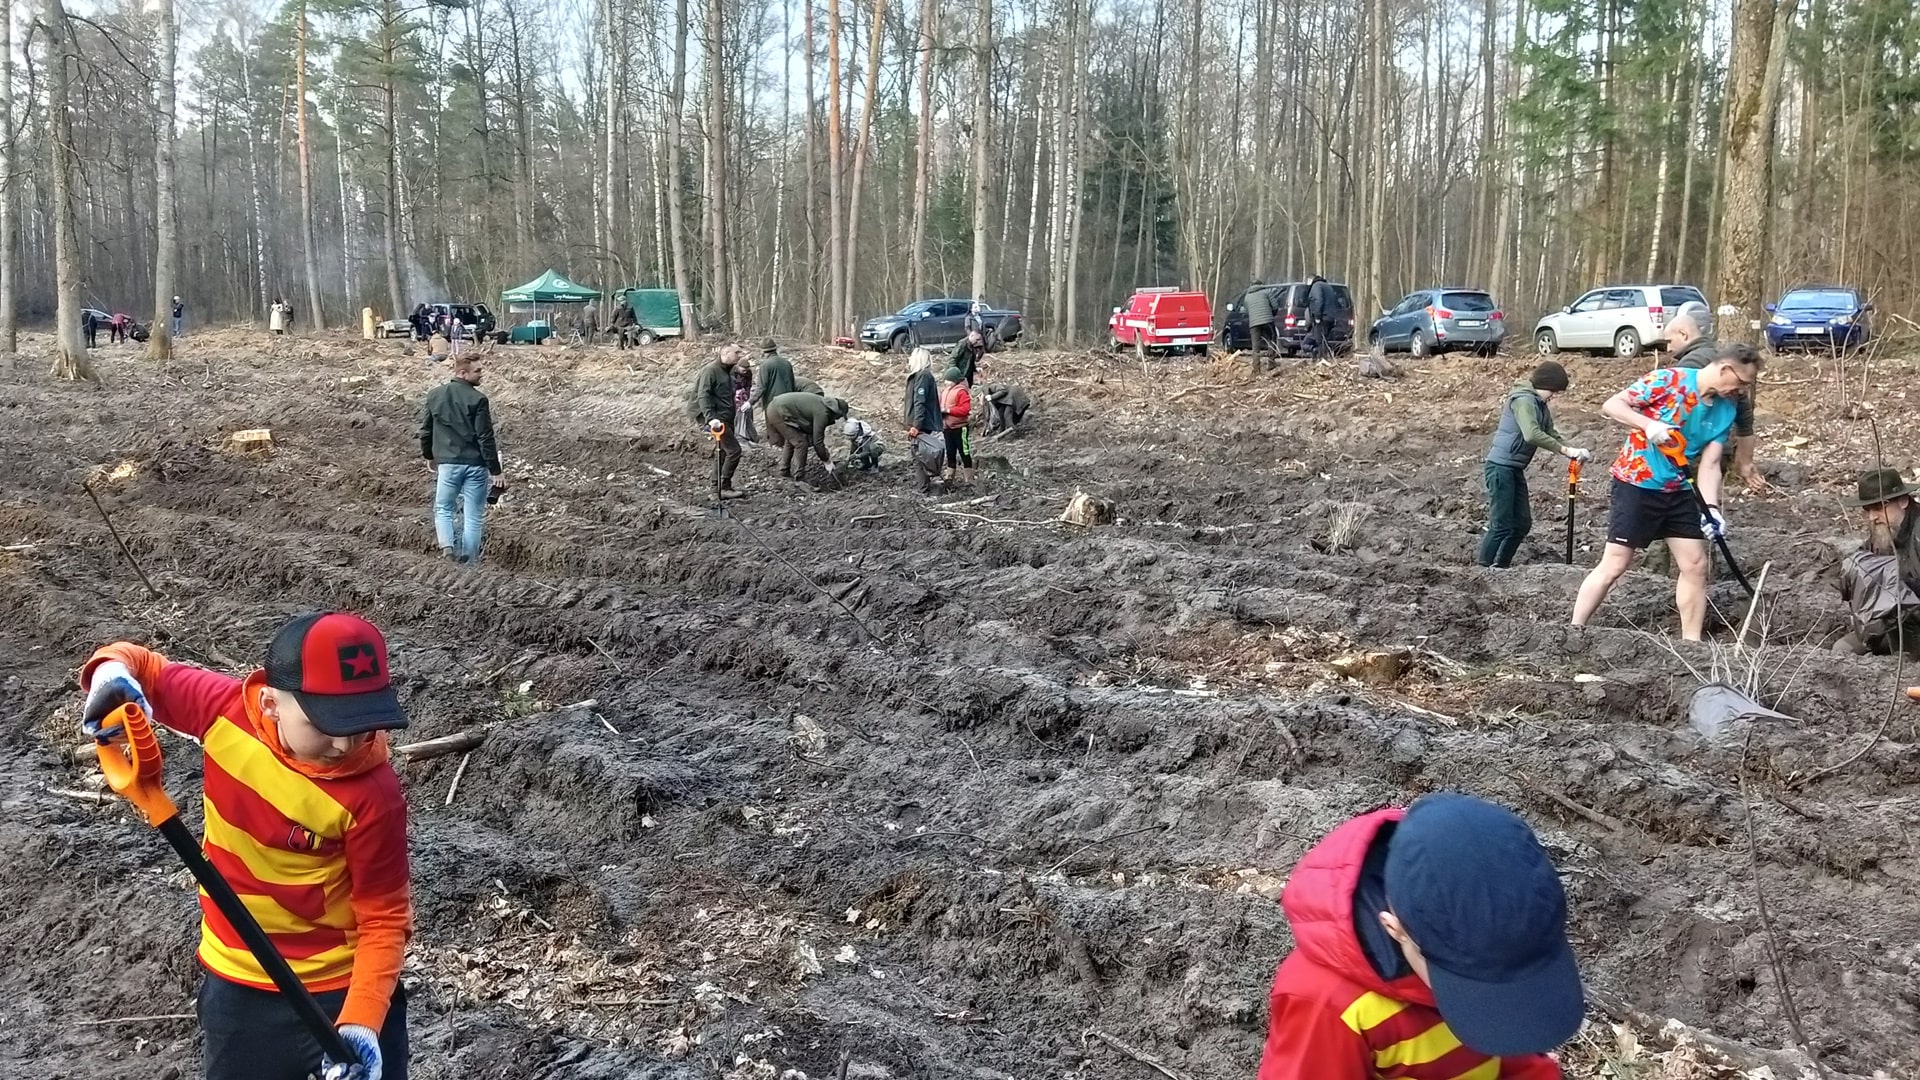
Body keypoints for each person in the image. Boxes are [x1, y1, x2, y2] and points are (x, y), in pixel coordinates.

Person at [77, 612, 413, 1080]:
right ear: (272, 703)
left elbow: (385, 919)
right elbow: (138, 664)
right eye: (326, 722)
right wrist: (109, 675)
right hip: (241, 989)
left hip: (340, 990)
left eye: (361, 722)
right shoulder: (223, 711)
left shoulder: (374, 796)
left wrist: (362, 1022)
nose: (344, 743)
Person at [1256, 792, 1581, 1080]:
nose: (1494, 1001)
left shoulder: (1498, 942)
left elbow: (1514, 1047)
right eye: (1468, 987)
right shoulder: (1328, 1004)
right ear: (1394, 928)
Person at [1570, 343, 1762, 640]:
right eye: (1741, 383)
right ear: (1725, 369)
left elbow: (1711, 464)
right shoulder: (1668, 381)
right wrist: (1648, 425)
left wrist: (1711, 509)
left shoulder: (1728, 408)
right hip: (1638, 483)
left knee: (1696, 565)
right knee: (1616, 563)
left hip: (1680, 488)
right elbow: (1613, 404)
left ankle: (1691, 645)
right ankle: (1574, 629)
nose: (1740, 391)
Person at [1478, 362, 1590, 569]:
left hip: (1514, 468)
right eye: (1553, 391)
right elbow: (1531, 434)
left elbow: (1549, 432)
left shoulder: (1540, 405)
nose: (1554, 395)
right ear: (1544, 384)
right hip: (1500, 468)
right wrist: (1564, 450)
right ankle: (1482, 571)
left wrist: (1572, 449)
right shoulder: (1523, 401)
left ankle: (1501, 567)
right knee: (1501, 524)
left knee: (1521, 524)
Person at [1665, 302, 1766, 493]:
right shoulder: (1719, 355)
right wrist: (1745, 461)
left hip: (1692, 455)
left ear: (1683, 334)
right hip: (1720, 451)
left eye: (1669, 341)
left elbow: (1674, 413)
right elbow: (1745, 417)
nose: (1668, 348)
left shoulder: (1691, 365)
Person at [418, 354, 507, 563]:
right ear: (462, 373)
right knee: (473, 517)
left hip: (448, 464)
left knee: (443, 508)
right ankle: (470, 563)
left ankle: (448, 549)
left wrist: (429, 455)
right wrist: (495, 470)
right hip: (475, 466)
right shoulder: (479, 400)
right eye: (477, 371)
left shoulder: (435, 395)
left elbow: (425, 431)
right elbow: (485, 437)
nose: (481, 374)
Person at [1832, 468, 1920, 656]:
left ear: (1903, 501)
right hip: (1892, 628)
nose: (1872, 517)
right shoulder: (1883, 533)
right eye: (1868, 509)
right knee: (1843, 650)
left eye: (1879, 507)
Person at [693, 344, 746, 500]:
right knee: (734, 450)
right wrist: (710, 419)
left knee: (722, 452)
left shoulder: (728, 372)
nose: (739, 355)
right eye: (736, 352)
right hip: (717, 419)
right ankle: (724, 487)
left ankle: (716, 489)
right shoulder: (711, 371)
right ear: (725, 353)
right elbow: (703, 395)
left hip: (726, 417)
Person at [765, 391, 850, 483]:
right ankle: (799, 478)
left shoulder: (822, 404)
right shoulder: (822, 414)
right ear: (836, 412)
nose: (837, 419)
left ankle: (784, 471)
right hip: (778, 411)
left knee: (791, 440)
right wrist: (827, 461)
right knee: (801, 443)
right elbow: (817, 442)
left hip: (776, 406)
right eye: (839, 416)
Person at [904, 348, 945, 494]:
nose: (909, 360)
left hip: (923, 423)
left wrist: (916, 425)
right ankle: (926, 486)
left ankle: (924, 488)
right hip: (920, 422)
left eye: (911, 357)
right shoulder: (919, 376)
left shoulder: (923, 376)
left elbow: (919, 402)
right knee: (920, 455)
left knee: (920, 456)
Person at [939, 366, 973, 488]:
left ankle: (969, 479)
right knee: (950, 453)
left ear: (954, 380)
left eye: (948, 380)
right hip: (947, 428)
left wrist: (948, 410)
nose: (945, 382)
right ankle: (949, 478)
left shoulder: (961, 391)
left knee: (964, 452)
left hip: (960, 427)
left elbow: (965, 410)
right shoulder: (945, 391)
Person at [752, 338, 798, 427]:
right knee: (788, 431)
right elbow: (793, 384)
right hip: (788, 403)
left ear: (762, 351)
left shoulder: (765, 365)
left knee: (774, 434)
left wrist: (750, 402)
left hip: (772, 405)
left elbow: (761, 387)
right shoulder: (786, 363)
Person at [1305, 275, 1336, 357]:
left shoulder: (1316, 286)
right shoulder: (1328, 286)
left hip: (1322, 317)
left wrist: (1317, 316)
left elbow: (1318, 300)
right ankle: (1324, 358)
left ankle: (1322, 360)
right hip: (1330, 317)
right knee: (1324, 340)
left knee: (1319, 340)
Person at [1244, 280, 1275, 356]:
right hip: (1267, 320)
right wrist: (1272, 314)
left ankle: (1256, 366)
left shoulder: (1247, 297)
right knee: (1271, 340)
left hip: (1254, 323)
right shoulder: (1266, 292)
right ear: (1261, 285)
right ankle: (1271, 363)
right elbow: (1275, 305)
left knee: (1255, 346)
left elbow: (1246, 311)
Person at [731, 360, 758, 443]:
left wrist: (747, 398)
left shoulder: (748, 373)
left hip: (743, 394)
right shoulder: (731, 372)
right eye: (743, 370)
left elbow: (748, 386)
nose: (745, 372)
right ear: (738, 367)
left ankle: (748, 433)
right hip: (733, 395)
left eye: (746, 370)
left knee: (747, 412)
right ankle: (736, 433)